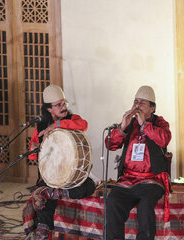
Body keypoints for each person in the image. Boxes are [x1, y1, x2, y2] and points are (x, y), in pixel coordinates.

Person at [23, 84, 96, 240]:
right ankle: (42, 233)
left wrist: (56, 125)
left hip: (71, 176)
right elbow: (32, 156)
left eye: (64, 103)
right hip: (50, 177)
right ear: (49, 109)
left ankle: (53, 193)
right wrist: (36, 148)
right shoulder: (41, 125)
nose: (63, 107)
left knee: (89, 186)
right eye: (58, 105)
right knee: (45, 194)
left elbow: (83, 125)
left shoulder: (71, 119)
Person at [105, 85, 172, 240]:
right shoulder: (129, 123)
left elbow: (164, 139)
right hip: (128, 179)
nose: (137, 106)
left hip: (151, 180)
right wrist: (122, 127)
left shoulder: (160, 123)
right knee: (113, 202)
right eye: (135, 102)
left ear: (152, 108)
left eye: (142, 103)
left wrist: (144, 125)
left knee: (146, 205)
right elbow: (110, 144)